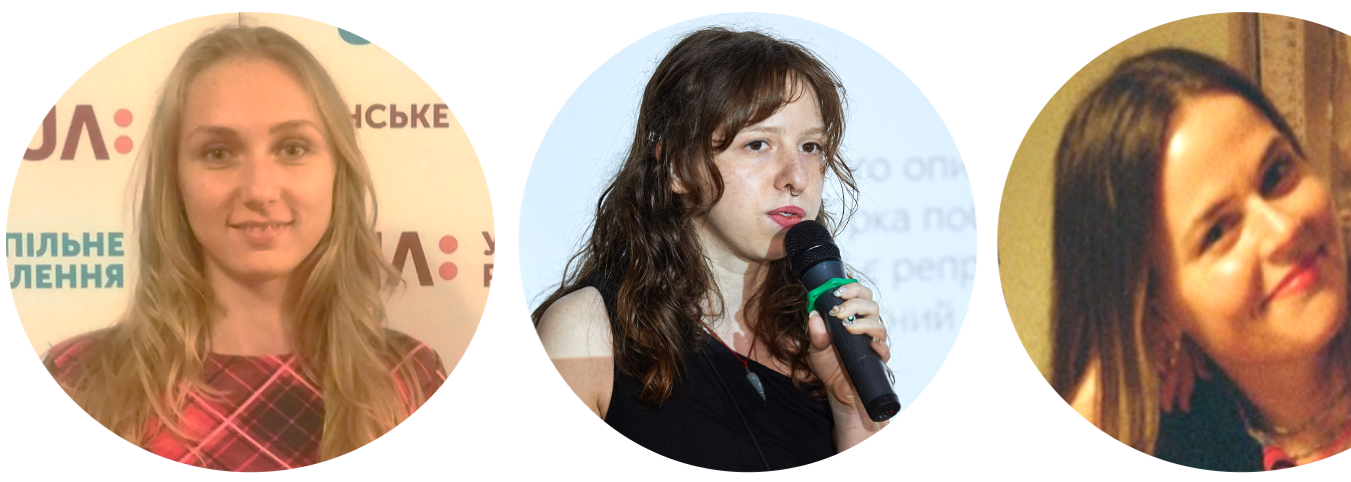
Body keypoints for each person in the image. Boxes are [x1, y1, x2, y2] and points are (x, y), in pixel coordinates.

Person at [41, 25, 445, 471]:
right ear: (174, 182)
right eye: (218, 153)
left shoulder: (411, 380)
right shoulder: (78, 380)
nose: (259, 189)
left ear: (338, 170)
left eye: (292, 148)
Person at [1049, 48, 1351, 471]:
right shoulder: (1176, 451)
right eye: (1218, 231)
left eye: (1276, 174)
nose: (1284, 229)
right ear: (1156, 304)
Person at [532, 27, 890, 472]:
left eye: (811, 146)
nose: (796, 177)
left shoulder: (821, 331)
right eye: (758, 144)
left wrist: (850, 403)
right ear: (678, 168)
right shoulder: (587, 329)